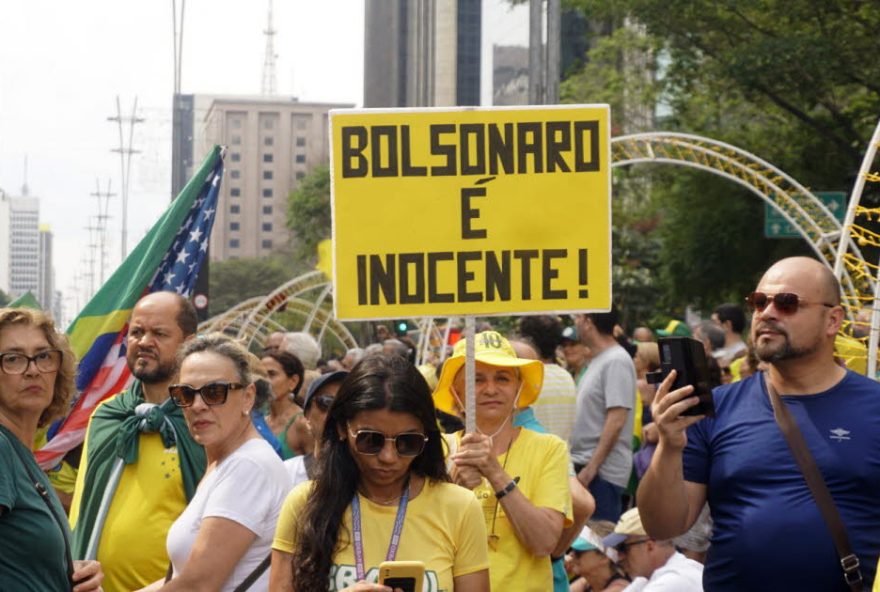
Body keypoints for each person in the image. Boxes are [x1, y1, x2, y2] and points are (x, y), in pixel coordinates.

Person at [639, 256, 880, 590]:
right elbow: (663, 526)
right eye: (759, 302)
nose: (767, 313)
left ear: (832, 320)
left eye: (787, 303)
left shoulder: (874, 407)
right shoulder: (716, 409)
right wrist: (668, 446)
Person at [270, 354, 490, 592]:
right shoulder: (305, 503)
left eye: (407, 442)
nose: (388, 457)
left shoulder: (459, 507)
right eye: (370, 440)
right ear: (343, 429)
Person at [70, 291, 206, 592]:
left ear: (189, 343)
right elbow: (82, 509)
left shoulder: (203, 421)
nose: (144, 341)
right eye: (136, 332)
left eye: (159, 333)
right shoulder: (106, 416)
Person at [139, 333, 290, 591]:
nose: (197, 405)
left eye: (214, 392)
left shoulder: (248, 466)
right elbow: (182, 577)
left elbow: (198, 584)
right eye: (185, 394)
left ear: (247, 397)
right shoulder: (225, 461)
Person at [434, 331, 573, 592]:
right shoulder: (437, 450)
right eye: (476, 380)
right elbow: (426, 542)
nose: (490, 389)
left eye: (503, 378)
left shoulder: (549, 448)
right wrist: (455, 487)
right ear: (456, 391)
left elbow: (544, 543)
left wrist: (496, 473)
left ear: (518, 388)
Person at [0, 308, 104, 592]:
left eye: (44, 356)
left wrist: (68, 570)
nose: (33, 369)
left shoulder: (20, 453)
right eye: (13, 359)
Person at [570, 309, 637, 522]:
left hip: (600, 474)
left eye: (578, 317)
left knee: (597, 547)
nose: (576, 323)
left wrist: (591, 469)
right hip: (587, 469)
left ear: (588, 322)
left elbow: (616, 419)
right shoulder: (599, 359)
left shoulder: (616, 360)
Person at [602, 508, 702, 591]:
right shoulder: (646, 579)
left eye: (623, 548)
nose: (619, 556)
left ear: (650, 546)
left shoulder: (673, 580)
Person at [283, 370, 348, 487]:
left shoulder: (372, 479)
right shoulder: (287, 473)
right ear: (307, 415)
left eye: (346, 405)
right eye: (326, 403)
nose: (334, 414)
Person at [519, 315, 579, 442]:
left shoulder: (527, 378)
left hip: (535, 458)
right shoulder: (566, 377)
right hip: (563, 458)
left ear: (528, 342)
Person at [261, 349, 306, 459]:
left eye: (271, 374)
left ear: (293, 381)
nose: (263, 380)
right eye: (260, 374)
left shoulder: (302, 423)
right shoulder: (259, 420)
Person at [567, 525, 629, 592]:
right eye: (571, 550)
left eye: (578, 552)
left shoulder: (619, 588)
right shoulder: (588, 582)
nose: (571, 555)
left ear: (604, 557)